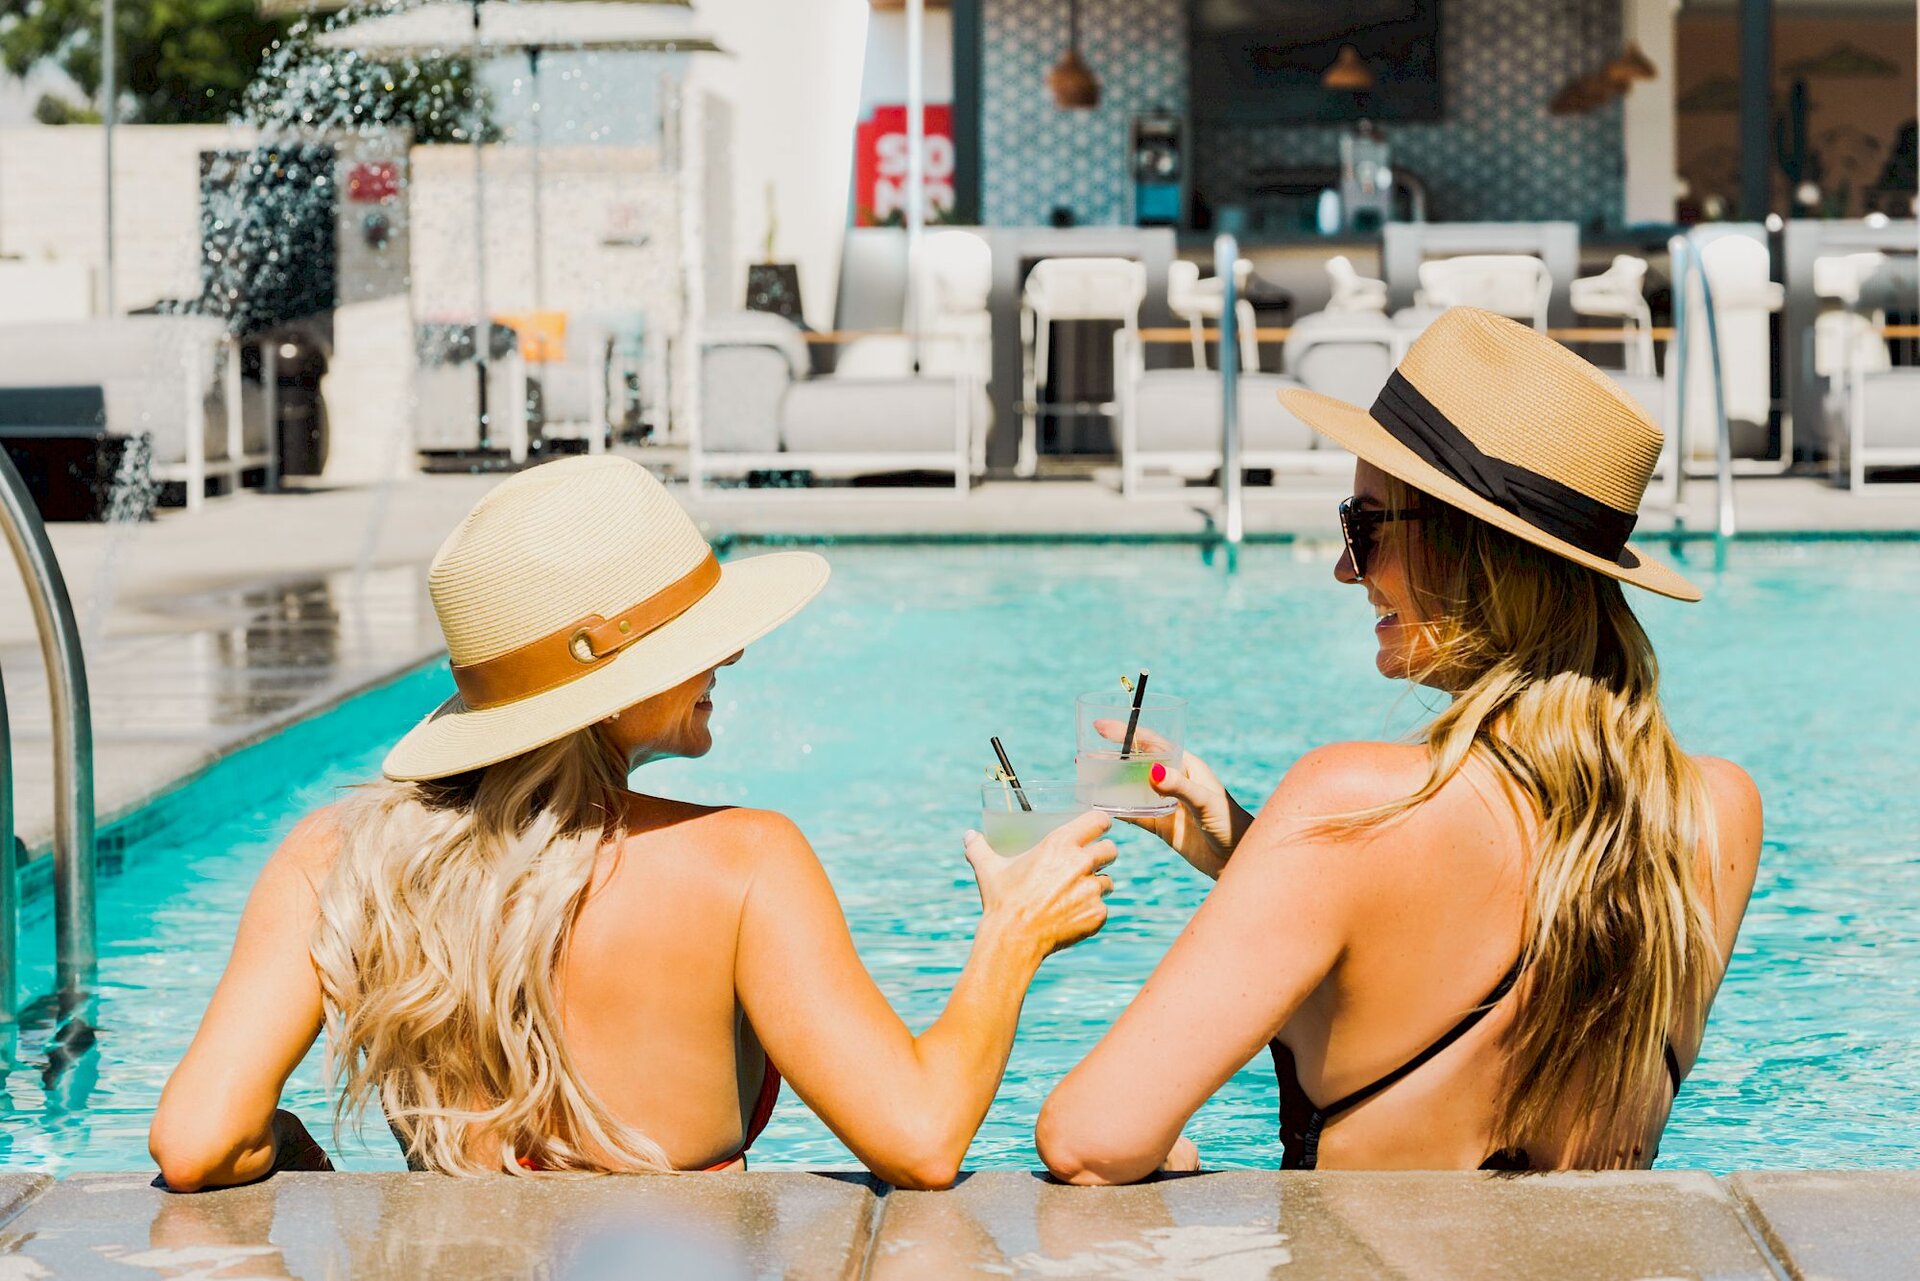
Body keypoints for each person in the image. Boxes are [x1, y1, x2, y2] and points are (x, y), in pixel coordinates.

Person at [151, 456, 1115, 1189]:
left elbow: (196, 1142)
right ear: (607, 692)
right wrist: (1014, 933)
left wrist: (298, 1158)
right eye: (695, 640)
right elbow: (922, 1137)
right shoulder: (746, 865)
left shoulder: (337, 861)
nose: (730, 652)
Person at [1037, 307, 1763, 1180]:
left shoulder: (1346, 801)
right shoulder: (1718, 814)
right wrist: (1251, 851)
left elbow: (1089, 1137)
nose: (1347, 567)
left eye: (1366, 527)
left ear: (1475, 554)